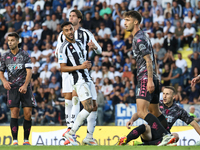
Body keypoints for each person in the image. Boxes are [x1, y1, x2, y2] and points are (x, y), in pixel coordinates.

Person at [124, 10, 174, 146]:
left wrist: (150, 79)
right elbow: (153, 58)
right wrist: (154, 78)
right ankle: (168, 135)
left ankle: (165, 136)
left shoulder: (138, 38)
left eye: (127, 20)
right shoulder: (143, 36)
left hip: (146, 78)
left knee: (141, 112)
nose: (124, 23)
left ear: (135, 22)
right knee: (155, 111)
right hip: (152, 77)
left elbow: (148, 60)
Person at [56, 10, 102, 145]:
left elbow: (88, 57)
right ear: (63, 33)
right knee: (84, 105)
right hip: (77, 79)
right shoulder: (63, 47)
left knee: (94, 106)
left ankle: (89, 137)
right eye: (67, 30)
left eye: (71, 29)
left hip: (87, 77)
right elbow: (62, 67)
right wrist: (81, 67)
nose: (70, 32)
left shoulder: (81, 42)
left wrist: (88, 63)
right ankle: (71, 133)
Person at [0, 32, 35, 145]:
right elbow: (1, 72)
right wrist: (4, 81)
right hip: (12, 88)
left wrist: (25, 85)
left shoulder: (25, 55)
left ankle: (26, 140)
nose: (10, 42)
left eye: (12, 40)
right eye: (9, 40)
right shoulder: (5, 56)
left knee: (28, 114)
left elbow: (29, 72)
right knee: (14, 113)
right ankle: (15, 141)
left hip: (25, 87)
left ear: (18, 41)